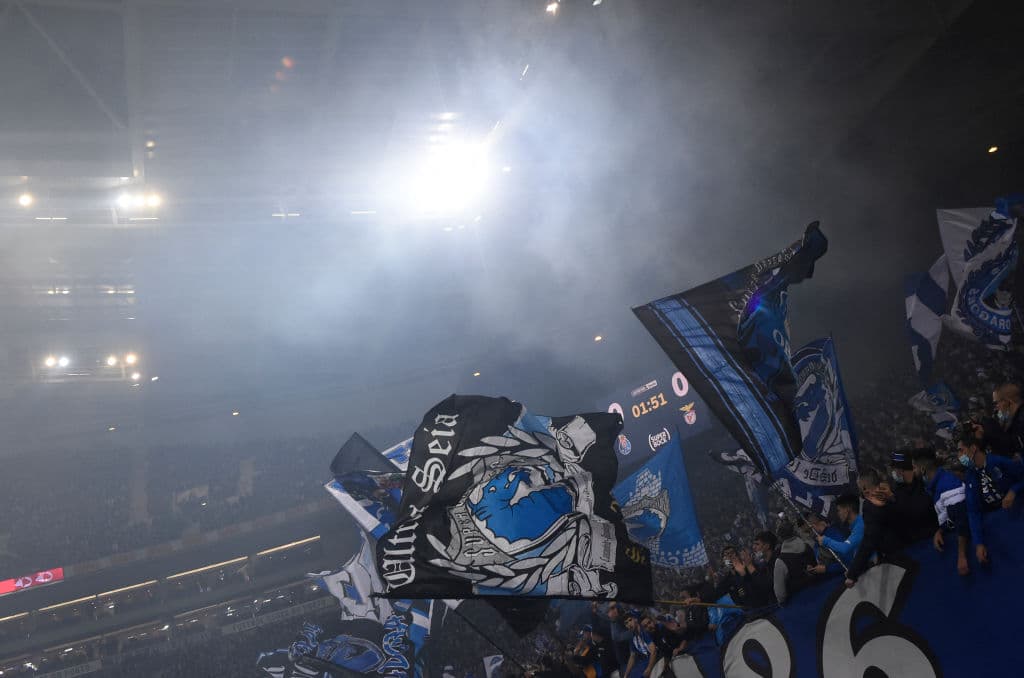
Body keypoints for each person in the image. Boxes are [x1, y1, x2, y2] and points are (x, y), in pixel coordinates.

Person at [956, 426, 1024, 567]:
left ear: (973, 448)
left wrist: (1014, 490)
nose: (959, 456)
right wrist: (978, 543)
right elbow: (973, 511)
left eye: (961, 450)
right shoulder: (970, 476)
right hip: (1001, 527)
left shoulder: (999, 462)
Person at [912, 447, 971, 576]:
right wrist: (941, 530)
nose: (913, 471)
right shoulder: (936, 486)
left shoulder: (947, 484)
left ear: (922, 469)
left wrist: (961, 555)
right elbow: (951, 516)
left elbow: (961, 520)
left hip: (969, 546)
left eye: (914, 467)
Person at [844, 468, 903, 587]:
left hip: (897, 558)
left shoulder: (870, 505)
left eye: (860, 487)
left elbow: (870, 540)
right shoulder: (894, 492)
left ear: (864, 486)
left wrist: (853, 573)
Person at [889, 449, 939, 545]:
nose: (893, 472)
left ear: (901, 469)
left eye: (894, 468)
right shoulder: (895, 490)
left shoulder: (925, 484)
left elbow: (918, 511)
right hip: (911, 545)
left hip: (932, 540)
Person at [810, 493, 862, 575]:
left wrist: (826, 541)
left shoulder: (860, 525)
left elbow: (845, 549)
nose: (838, 514)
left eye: (839, 510)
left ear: (847, 509)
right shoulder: (854, 527)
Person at [771, 520, 816, 604]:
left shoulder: (780, 561)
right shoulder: (808, 546)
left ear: (780, 538)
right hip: (819, 592)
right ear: (794, 531)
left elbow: (780, 594)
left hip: (799, 603)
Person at [979, 383, 1024, 459]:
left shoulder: (1021, 421)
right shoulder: (1014, 422)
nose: (996, 408)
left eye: (996, 403)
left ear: (1008, 401)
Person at [622, 611, 658, 678]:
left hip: (656, 658)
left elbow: (654, 651)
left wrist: (649, 669)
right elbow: (632, 656)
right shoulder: (632, 637)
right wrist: (625, 675)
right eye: (626, 623)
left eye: (630, 620)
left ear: (635, 619)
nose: (629, 624)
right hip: (646, 661)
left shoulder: (644, 630)